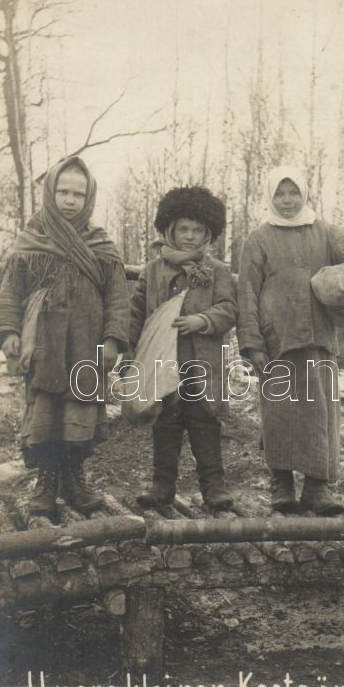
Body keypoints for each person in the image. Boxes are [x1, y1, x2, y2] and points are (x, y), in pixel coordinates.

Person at [237, 166, 344, 516]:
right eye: (280, 194)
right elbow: (246, 294)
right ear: (270, 197)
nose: (287, 201)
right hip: (276, 343)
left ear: (305, 194)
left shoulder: (326, 233)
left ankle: (317, 490)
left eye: (294, 193)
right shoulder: (258, 239)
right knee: (278, 415)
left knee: (320, 415)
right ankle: (281, 486)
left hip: (319, 340)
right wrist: (253, 343)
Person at [0, 156, 129, 518]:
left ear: (89, 198)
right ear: (50, 193)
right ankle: (47, 482)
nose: (70, 200)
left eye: (78, 194)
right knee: (46, 413)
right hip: (44, 344)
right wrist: (7, 332)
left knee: (79, 411)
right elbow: (9, 293)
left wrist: (113, 339)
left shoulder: (101, 245)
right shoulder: (31, 239)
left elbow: (117, 297)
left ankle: (74, 479)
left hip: (86, 341)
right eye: (62, 191)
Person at [128, 186, 238, 512]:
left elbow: (229, 309)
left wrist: (202, 320)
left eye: (198, 230)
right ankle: (162, 487)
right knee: (166, 422)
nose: (190, 236)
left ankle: (214, 488)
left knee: (205, 422)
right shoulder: (153, 271)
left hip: (202, 363)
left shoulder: (217, 271)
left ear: (209, 233)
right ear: (170, 230)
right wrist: (129, 356)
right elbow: (136, 315)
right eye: (183, 229)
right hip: (163, 363)